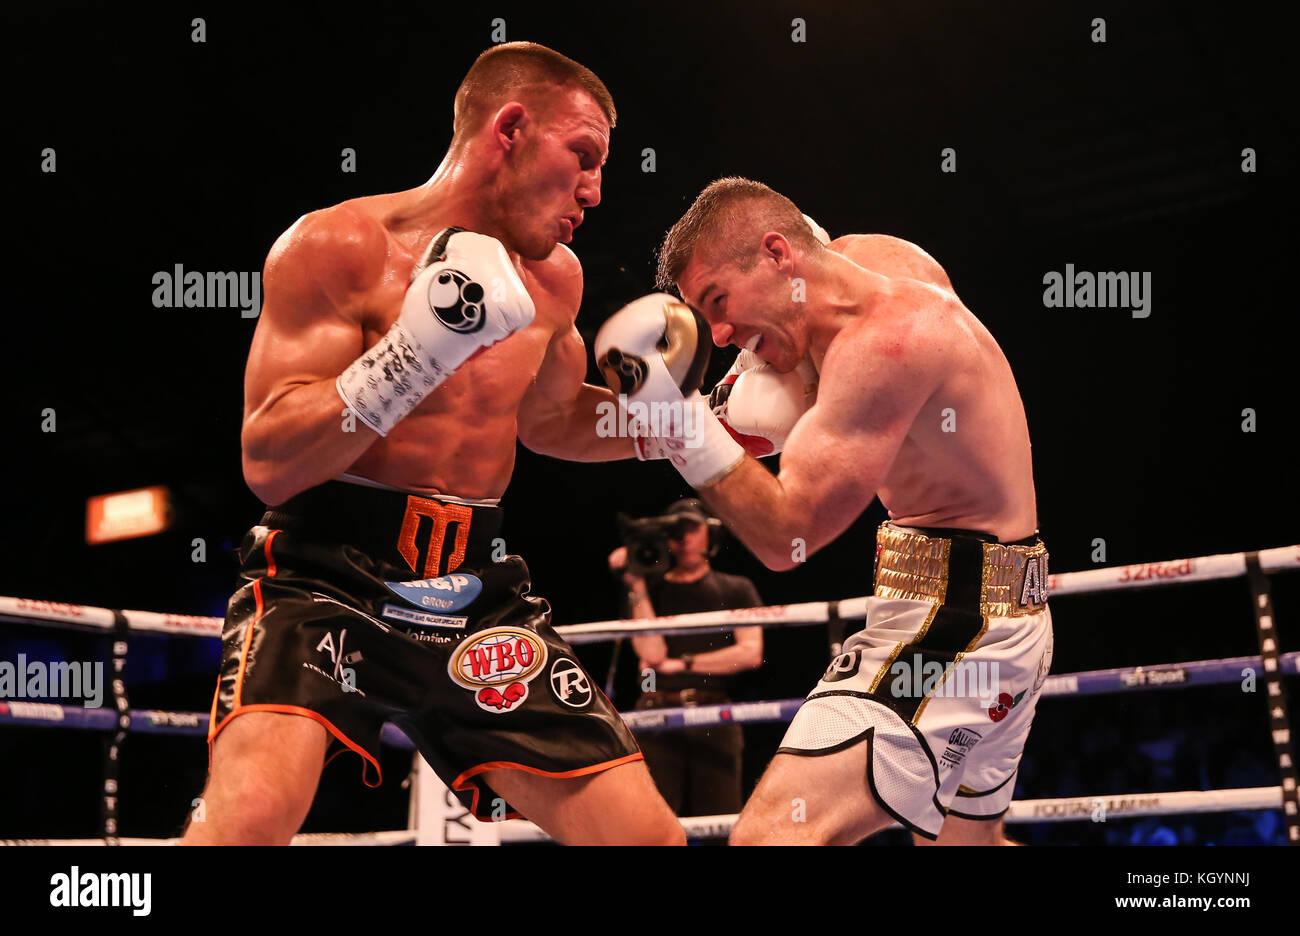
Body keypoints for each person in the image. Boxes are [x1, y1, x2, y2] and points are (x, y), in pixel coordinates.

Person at [184, 42, 687, 846]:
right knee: (245, 823)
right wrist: (414, 354)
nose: (594, 191)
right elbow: (269, 462)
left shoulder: (556, 279)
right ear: (511, 128)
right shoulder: (338, 247)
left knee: (647, 838)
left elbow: (553, 420)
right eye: (582, 157)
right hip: (325, 575)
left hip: (474, 592)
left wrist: (695, 429)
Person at [593, 177, 1053, 845]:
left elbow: (789, 536)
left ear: (778, 252)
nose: (719, 335)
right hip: (1006, 613)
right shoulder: (876, 261)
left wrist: (681, 422)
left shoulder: (886, 342)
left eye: (719, 302)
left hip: (953, 626)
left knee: (772, 837)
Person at [608, 499, 763, 816]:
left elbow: (751, 653)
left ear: (711, 534)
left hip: (715, 712)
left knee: (720, 820)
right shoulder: (646, 593)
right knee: (657, 823)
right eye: (675, 531)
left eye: (691, 529)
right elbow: (651, 654)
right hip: (656, 712)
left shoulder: (736, 588)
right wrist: (635, 582)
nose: (683, 538)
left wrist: (682, 664)